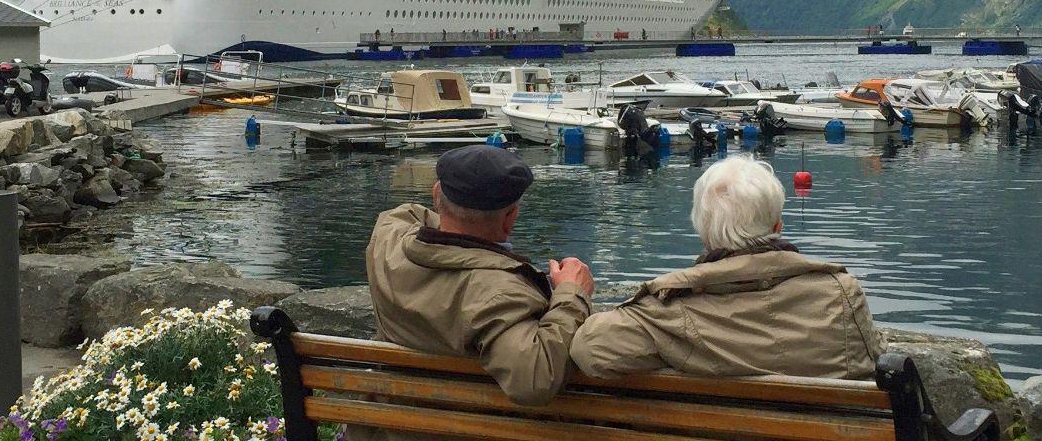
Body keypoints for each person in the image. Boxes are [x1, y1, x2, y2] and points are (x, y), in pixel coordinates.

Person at [570, 155, 879, 381]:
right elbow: (871, 360)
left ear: (704, 234)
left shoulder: (666, 310)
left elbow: (590, 349)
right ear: (777, 226)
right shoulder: (842, 292)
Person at [365, 145, 593, 406]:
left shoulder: (388, 239)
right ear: (511, 218)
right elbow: (534, 380)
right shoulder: (498, 293)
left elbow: (411, 214)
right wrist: (572, 294)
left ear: (436, 195)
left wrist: (456, 218)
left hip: (387, 423)